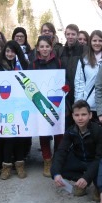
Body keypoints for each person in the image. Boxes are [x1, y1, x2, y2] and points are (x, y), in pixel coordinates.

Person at [51, 100, 102, 197]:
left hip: (95, 162)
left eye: (83, 114)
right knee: (57, 168)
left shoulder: (99, 131)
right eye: (77, 115)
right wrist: (56, 173)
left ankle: (94, 184)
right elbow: (61, 151)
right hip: (79, 160)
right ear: (72, 116)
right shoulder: (70, 131)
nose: (80, 118)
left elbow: (100, 158)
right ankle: (81, 183)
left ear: (90, 115)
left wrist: (87, 177)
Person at [29, 35, 63, 177]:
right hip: (40, 102)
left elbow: (63, 77)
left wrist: (65, 86)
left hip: (56, 101)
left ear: (51, 47)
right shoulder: (34, 63)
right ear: (37, 48)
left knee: (59, 133)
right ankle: (47, 160)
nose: (44, 49)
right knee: (44, 132)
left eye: (47, 46)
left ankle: (58, 160)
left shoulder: (58, 62)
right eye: (41, 46)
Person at [0, 41, 29, 180]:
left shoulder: (23, 65)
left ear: (17, 53)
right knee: (8, 137)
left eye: (12, 52)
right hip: (5, 107)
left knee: (20, 136)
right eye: (7, 51)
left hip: (21, 105)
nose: (10, 54)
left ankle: (20, 164)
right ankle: (6, 166)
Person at [58, 24, 86, 129]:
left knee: (79, 120)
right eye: (68, 34)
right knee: (66, 121)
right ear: (65, 35)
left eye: (73, 34)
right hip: (65, 90)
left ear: (77, 35)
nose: (70, 36)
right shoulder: (60, 51)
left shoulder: (84, 50)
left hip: (78, 90)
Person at [74, 30, 102, 121]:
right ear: (90, 42)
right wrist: (79, 104)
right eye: (94, 41)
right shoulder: (83, 60)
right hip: (88, 105)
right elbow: (79, 83)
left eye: (100, 41)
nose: (97, 43)